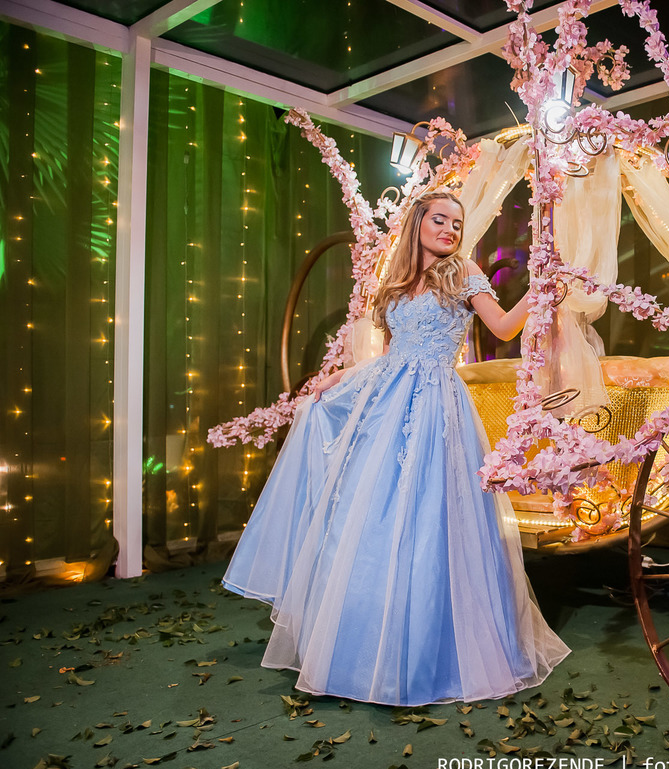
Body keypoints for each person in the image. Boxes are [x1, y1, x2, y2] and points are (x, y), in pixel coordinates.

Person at [222, 190, 570, 706]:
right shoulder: (393, 289)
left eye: (457, 222)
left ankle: (433, 652)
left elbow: (502, 326)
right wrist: (338, 374)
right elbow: (387, 358)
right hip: (388, 406)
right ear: (418, 223)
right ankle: (362, 652)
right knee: (374, 519)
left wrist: (538, 294)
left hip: (437, 408)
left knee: (432, 520)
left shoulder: (463, 273)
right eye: (440, 219)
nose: (450, 229)